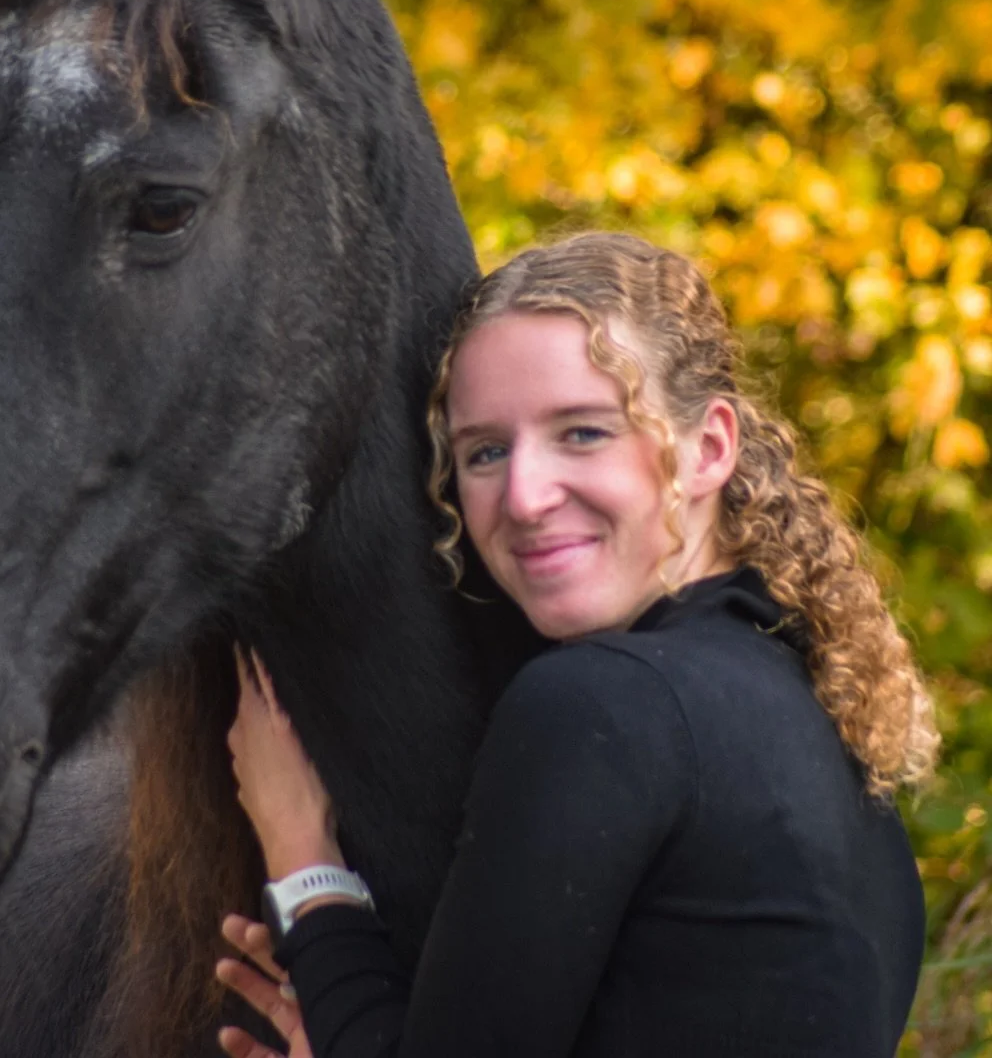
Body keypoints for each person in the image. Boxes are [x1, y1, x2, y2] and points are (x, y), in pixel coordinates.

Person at [214, 231, 937, 1058]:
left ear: (709, 449)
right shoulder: (820, 717)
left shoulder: (605, 704)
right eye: (483, 452)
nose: (522, 496)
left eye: (583, 433)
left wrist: (302, 852)